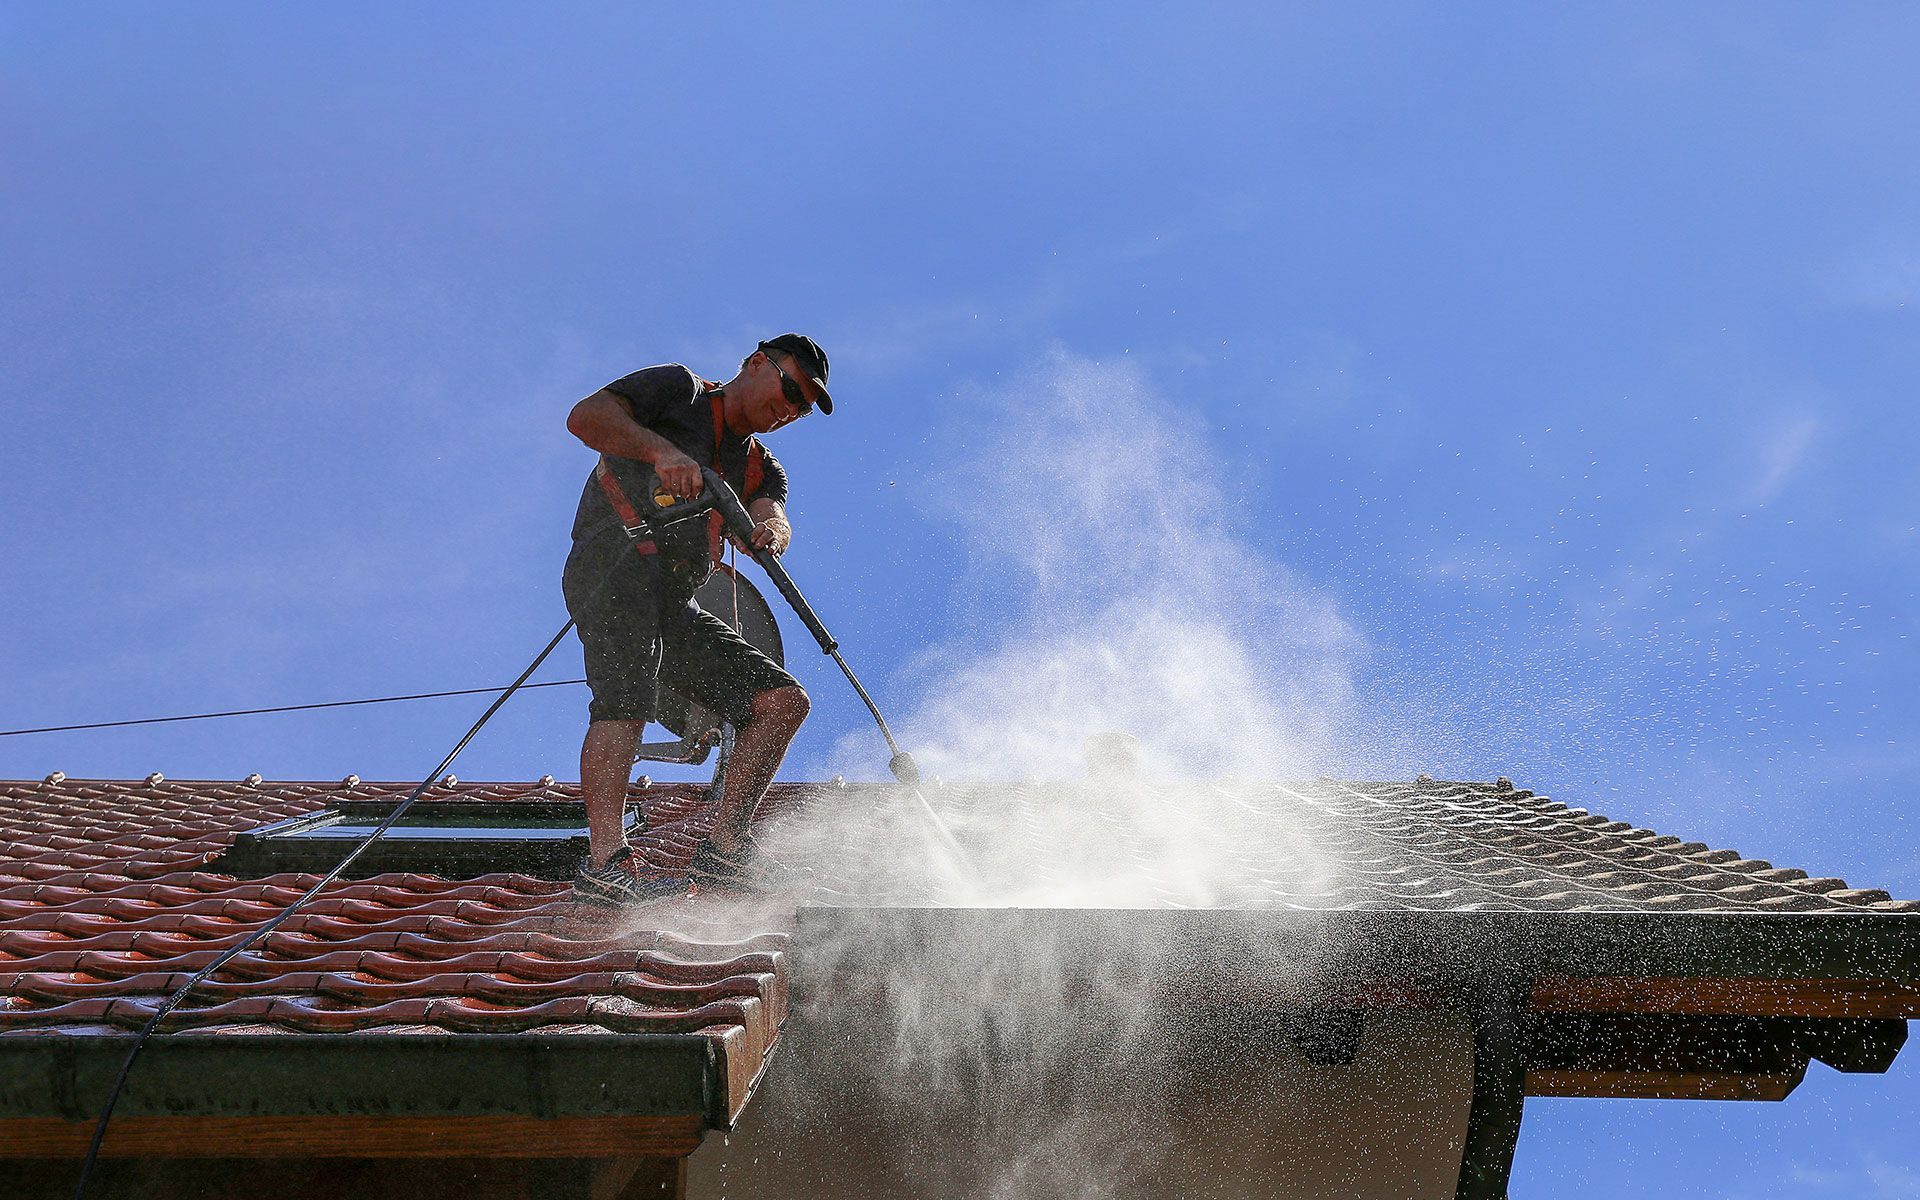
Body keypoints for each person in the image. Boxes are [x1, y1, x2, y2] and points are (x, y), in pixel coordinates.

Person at [561, 334, 833, 905]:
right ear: (756, 363)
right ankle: (606, 866)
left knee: (782, 703)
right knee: (625, 699)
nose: (788, 409)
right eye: (788, 389)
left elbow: (770, 511)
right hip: (614, 565)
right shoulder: (677, 392)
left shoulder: (760, 466)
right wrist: (661, 452)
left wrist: (771, 534)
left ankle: (724, 853)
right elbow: (585, 417)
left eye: (801, 407)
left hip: (670, 601)